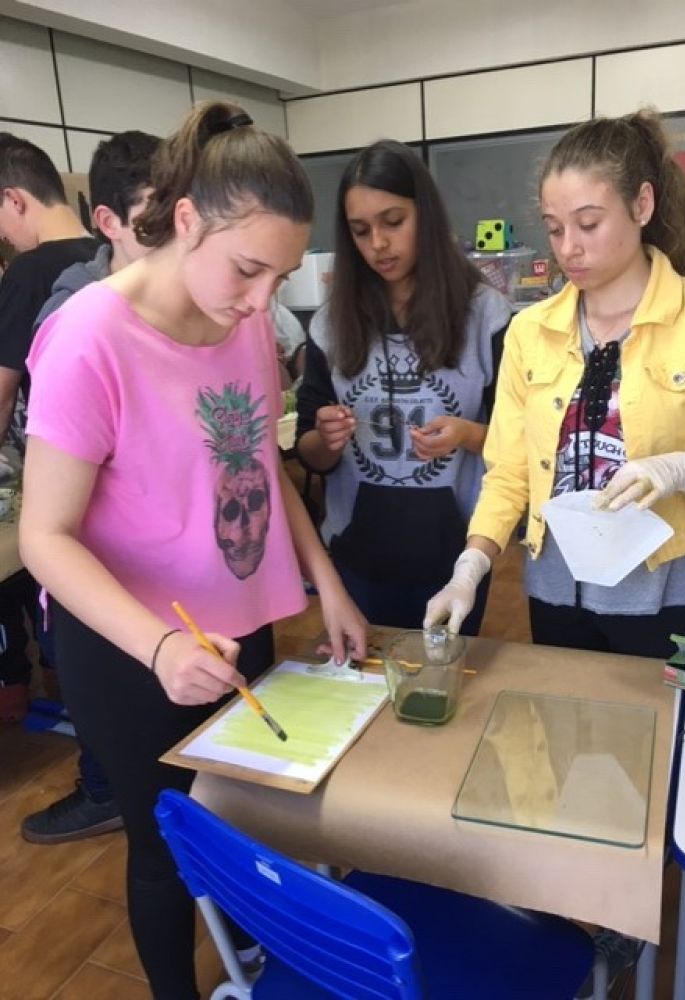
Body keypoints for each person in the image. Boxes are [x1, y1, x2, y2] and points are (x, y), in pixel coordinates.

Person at [19, 101, 366, 1000]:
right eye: (248, 269)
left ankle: (248, 948)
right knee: (166, 842)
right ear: (184, 219)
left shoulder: (241, 320)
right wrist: (161, 646)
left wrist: (325, 582)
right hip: (132, 645)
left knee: (244, 814)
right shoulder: (90, 336)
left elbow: (259, 466)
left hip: (237, 621)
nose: (260, 302)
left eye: (279, 277)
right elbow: (43, 536)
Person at [424, 109, 685, 986]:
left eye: (588, 222)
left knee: (667, 750)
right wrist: (472, 562)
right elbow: (506, 470)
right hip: (559, 582)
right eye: (554, 227)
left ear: (641, 206)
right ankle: (610, 906)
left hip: (666, 582)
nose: (567, 247)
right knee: (578, 741)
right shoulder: (532, 331)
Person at [295, 139, 512, 633]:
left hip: (456, 554)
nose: (378, 243)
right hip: (358, 554)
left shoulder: (485, 315)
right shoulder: (331, 324)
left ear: (426, 216)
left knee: (448, 670)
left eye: (393, 222)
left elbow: (518, 443)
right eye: (360, 231)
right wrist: (326, 440)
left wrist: (467, 434)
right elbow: (310, 453)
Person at [21, 129, 160, 847]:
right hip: (100, 566)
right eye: (155, 225)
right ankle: (105, 788)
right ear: (109, 222)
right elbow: (51, 526)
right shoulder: (76, 318)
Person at [0, 132, 97, 722]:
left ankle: (90, 750)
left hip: (61, 473)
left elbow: (2, 395)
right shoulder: (108, 252)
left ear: (14, 199)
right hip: (116, 479)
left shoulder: (29, 273)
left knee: (64, 608)